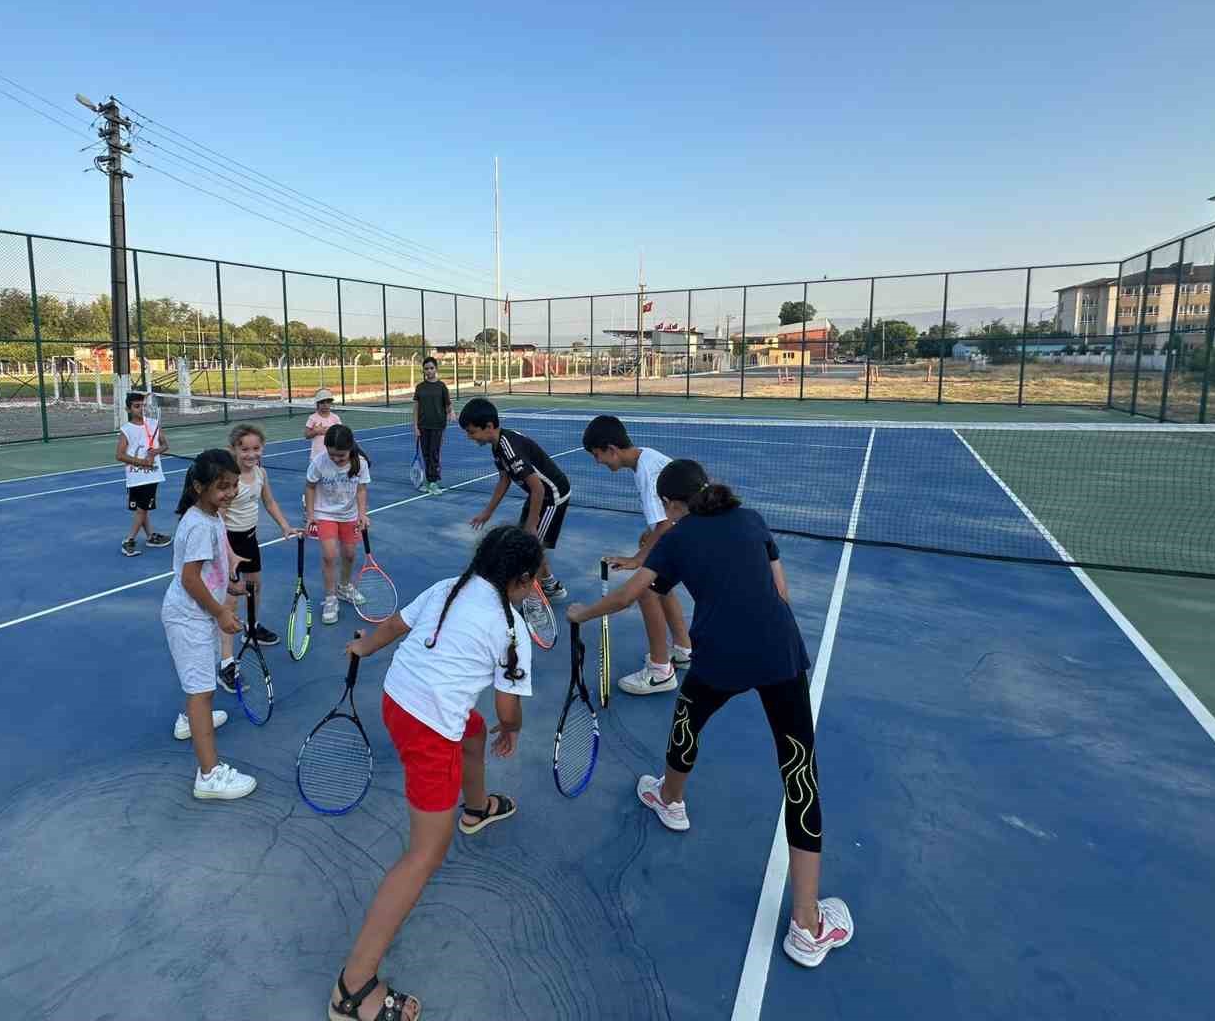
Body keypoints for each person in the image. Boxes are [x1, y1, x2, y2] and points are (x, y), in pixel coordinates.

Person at [565, 458, 852, 969]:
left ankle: (670, 798)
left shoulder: (676, 538)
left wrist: (583, 613)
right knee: (799, 772)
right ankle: (808, 924)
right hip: (779, 653)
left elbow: (633, 594)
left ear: (673, 505)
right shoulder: (751, 518)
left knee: (687, 720)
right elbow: (781, 591)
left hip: (719, 655)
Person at [329, 526, 538, 1021]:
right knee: (423, 857)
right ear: (522, 579)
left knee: (474, 727)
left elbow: (392, 628)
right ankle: (353, 990)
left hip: (397, 700)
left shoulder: (450, 585)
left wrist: (362, 649)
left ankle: (477, 807)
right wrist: (513, 731)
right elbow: (509, 709)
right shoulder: (510, 628)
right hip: (428, 732)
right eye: (535, 581)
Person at [161, 449, 257, 801]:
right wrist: (220, 611)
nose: (230, 493)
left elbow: (207, 569)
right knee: (201, 692)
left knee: (200, 684)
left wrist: (227, 585)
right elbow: (190, 579)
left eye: (233, 485)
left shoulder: (210, 514)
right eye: (222, 487)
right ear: (199, 487)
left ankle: (190, 720)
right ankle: (209, 775)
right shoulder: (200, 524)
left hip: (198, 613)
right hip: (190, 617)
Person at [580, 414, 694, 695]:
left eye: (598, 455)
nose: (599, 462)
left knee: (647, 590)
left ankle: (660, 671)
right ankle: (683, 649)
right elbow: (662, 522)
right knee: (661, 587)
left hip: (690, 536)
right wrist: (649, 537)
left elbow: (665, 525)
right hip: (689, 530)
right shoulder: (647, 458)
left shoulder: (645, 471)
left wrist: (637, 558)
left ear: (611, 449)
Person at [195, 423, 303, 703]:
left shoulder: (260, 474)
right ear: (233, 450)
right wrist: (229, 557)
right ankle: (227, 663)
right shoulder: (231, 482)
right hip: (229, 543)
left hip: (250, 539)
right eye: (244, 449)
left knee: (255, 586)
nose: (251, 454)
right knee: (230, 603)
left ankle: (252, 628)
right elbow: (219, 519)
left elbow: (269, 502)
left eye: (256, 448)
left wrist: (284, 525)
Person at [458, 397, 568, 601]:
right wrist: (487, 512)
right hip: (537, 495)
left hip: (552, 495)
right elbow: (504, 479)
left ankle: (535, 599)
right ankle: (550, 584)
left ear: (489, 426)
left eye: (472, 431)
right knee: (529, 540)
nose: (469, 437)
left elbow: (538, 488)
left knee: (529, 547)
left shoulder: (509, 449)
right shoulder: (497, 446)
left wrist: (533, 525)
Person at [305, 424, 372, 626]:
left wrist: (362, 514)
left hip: (349, 515)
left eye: (340, 456)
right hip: (325, 513)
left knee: (350, 555)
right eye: (331, 454)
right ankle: (330, 598)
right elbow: (309, 486)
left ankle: (344, 587)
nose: (335, 459)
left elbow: (361, 490)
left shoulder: (360, 463)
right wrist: (310, 515)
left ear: (350, 448)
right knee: (329, 556)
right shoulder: (319, 462)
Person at [116, 391, 172, 556]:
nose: (141, 409)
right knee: (142, 509)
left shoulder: (154, 424)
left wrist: (155, 452)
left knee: (143, 509)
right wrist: (141, 462)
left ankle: (150, 537)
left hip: (152, 476)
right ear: (128, 409)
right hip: (135, 476)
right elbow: (119, 455)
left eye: (143, 406)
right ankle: (129, 540)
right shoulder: (126, 430)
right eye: (136, 406)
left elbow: (165, 445)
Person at [410, 357, 452, 495]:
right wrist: (415, 426)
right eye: (426, 368)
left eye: (431, 368)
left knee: (434, 454)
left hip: (438, 426)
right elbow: (416, 408)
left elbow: (448, 405)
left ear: (436, 369)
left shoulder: (442, 387)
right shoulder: (420, 387)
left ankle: (433, 482)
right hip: (423, 426)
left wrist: (451, 413)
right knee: (426, 454)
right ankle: (428, 481)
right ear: (423, 370)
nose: (429, 371)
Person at [306, 388, 344, 461]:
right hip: (316, 457)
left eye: (328, 402)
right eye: (322, 402)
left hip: (332, 456)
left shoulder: (335, 418)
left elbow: (341, 433)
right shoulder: (312, 418)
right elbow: (307, 435)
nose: (325, 405)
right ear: (318, 404)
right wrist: (316, 432)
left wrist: (329, 432)